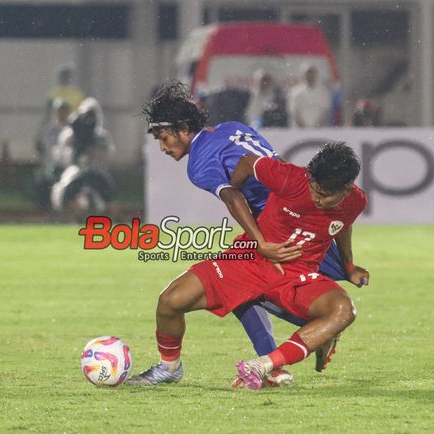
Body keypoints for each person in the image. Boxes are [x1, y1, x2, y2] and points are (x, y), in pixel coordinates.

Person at [130, 81, 357, 387]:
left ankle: (289, 351)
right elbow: (261, 164)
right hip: (299, 218)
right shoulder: (232, 128)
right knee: (246, 288)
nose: (163, 147)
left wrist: (262, 241)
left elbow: (234, 197)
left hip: (280, 229)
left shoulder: (198, 164)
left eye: (164, 137)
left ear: (184, 128)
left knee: (249, 286)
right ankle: (287, 356)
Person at [287, 63, 332, 128]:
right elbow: (294, 112)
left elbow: (326, 111)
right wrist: (303, 127)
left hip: (319, 129)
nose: (310, 76)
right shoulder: (295, 92)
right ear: (303, 75)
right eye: (308, 73)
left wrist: (317, 126)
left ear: (316, 75)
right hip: (299, 130)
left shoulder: (324, 92)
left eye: (312, 73)